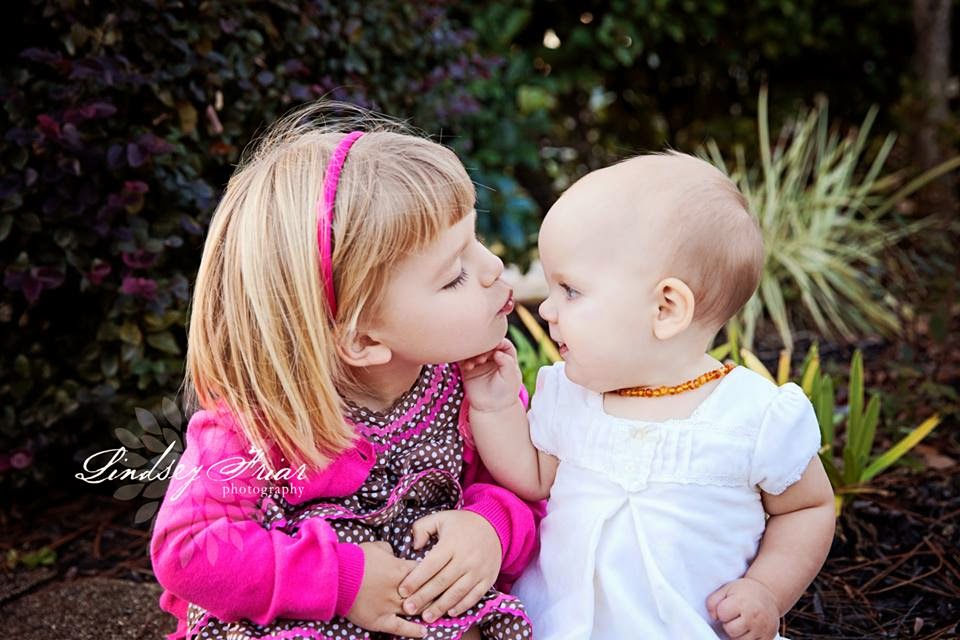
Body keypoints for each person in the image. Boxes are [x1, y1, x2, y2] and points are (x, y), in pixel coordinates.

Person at [150, 103, 541, 640]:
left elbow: (522, 489)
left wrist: (489, 529)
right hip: (297, 621)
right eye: (454, 274)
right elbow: (190, 549)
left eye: (476, 239)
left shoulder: (473, 383)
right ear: (363, 340)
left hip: (426, 611)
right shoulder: (256, 425)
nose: (493, 266)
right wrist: (341, 579)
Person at [460, 152, 836, 639]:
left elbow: (807, 509)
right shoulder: (570, 396)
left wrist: (766, 589)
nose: (547, 310)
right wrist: (494, 403)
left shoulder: (753, 416)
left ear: (665, 308)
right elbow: (531, 478)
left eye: (570, 290)